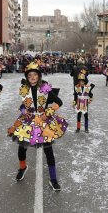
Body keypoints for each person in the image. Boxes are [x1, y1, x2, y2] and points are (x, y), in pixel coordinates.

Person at [7, 62, 68, 191]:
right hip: (28, 122)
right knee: (21, 148)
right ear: (27, 78)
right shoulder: (24, 89)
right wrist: (24, 111)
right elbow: (23, 105)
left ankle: (53, 179)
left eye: (35, 75)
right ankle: (23, 167)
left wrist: (49, 112)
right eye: (30, 75)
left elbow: (59, 102)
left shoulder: (45, 88)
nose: (33, 77)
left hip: (43, 121)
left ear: (39, 76)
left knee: (48, 151)